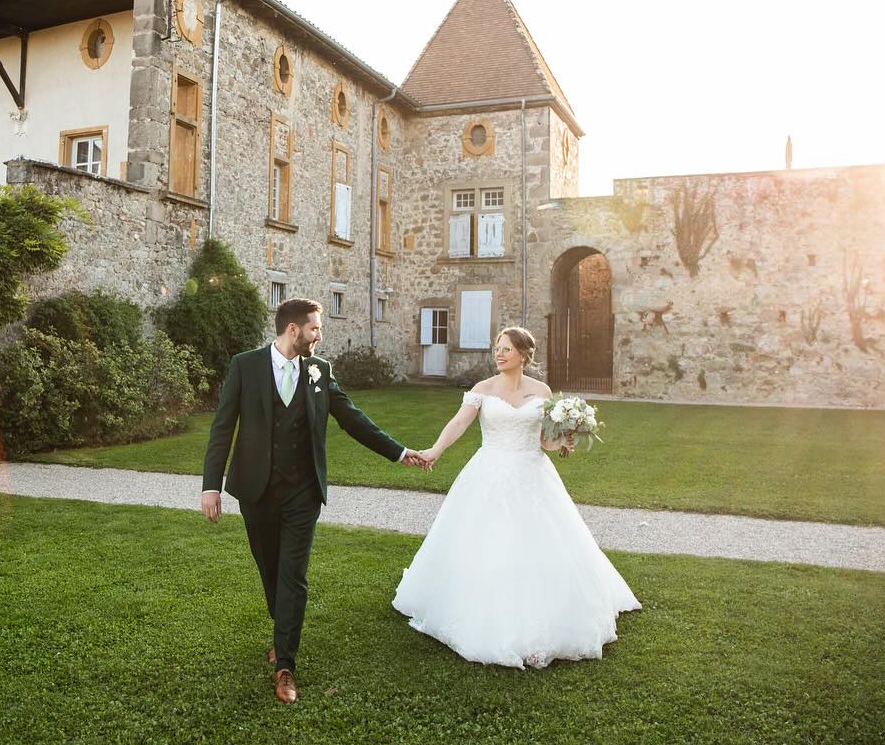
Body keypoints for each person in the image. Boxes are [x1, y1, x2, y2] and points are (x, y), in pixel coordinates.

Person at [201, 298, 428, 703]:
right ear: (294, 330)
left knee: (294, 575)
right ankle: (282, 630)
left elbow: (352, 418)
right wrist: (210, 486)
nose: (320, 335)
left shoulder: (319, 371)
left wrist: (398, 451)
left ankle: (284, 664)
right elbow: (222, 429)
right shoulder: (245, 365)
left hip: (303, 492)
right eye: (315, 329)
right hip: (255, 490)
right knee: (270, 570)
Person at [392, 326, 640, 668]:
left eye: (506, 349)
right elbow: (459, 424)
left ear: (523, 355)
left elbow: (544, 441)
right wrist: (434, 451)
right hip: (488, 472)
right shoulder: (482, 390)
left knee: (538, 541)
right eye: (497, 348)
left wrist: (563, 442)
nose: (499, 354)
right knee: (486, 539)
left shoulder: (542, 391)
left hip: (532, 474)